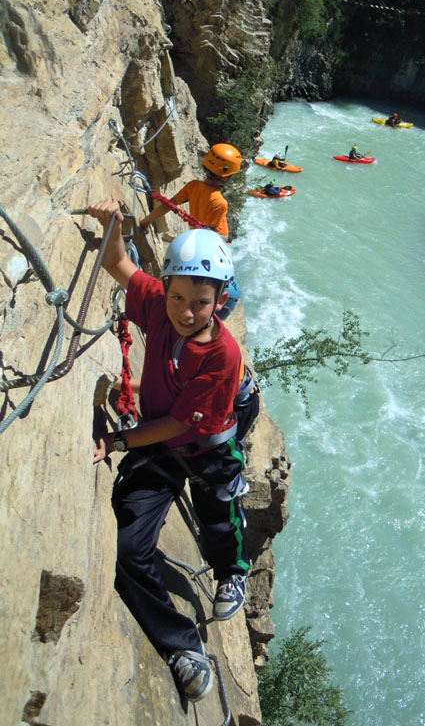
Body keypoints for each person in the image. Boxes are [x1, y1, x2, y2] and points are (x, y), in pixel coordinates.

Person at [90, 201, 255, 704]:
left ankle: (232, 575)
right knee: (126, 550)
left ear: (220, 300)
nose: (185, 311)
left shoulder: (222, 355)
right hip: (162, 445)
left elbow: (178, 422)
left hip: (203, 445)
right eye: (177, 297)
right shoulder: (160, 305)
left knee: (219, 517)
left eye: (200, 303)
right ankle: (183, 647)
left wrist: (119, 440)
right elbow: (119, 265)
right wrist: (113, 225)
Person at [139, 143, 242, 319]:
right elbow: (211, 236)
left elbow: (168, 205)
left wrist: (145, 221)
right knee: (232, 296)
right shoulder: (220, 202)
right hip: (210, 248)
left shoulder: (193, 186)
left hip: (196, 241)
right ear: (226, 178)